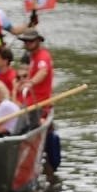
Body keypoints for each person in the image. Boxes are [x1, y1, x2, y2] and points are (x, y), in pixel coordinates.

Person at [18, 29, 61, 177]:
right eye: (26, 41)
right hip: (31, 104)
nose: (28, 44)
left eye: (31, 41)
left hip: (40, 105)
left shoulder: (43, 57)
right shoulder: (33, 57)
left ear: (38, 41)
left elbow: (42, 72)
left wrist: (30, 83)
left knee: (40, 139)